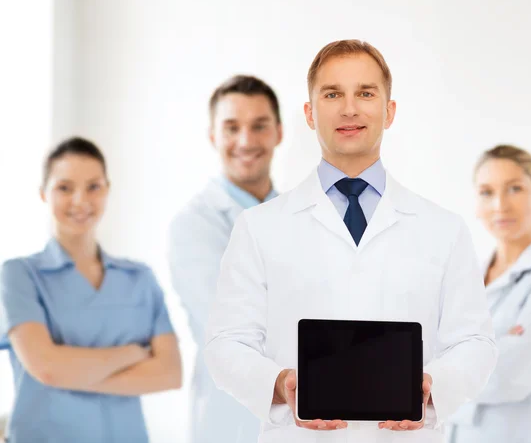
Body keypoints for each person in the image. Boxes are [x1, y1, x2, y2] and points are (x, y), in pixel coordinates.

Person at [204, 40, 497, 443]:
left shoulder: (443, 230)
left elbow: (476, 343)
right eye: (332, 94)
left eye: (365, 93)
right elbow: (225, 344)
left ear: (389, 111)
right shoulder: (258, 227)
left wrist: (433, 386)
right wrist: (279, 383)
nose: (349, 108)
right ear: (309, 113)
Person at [0, 137, 182, 443]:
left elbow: (169, 373)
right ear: (44, 193)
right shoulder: (19, 275)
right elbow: (46, 369)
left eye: (93, 186)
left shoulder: (140, 278)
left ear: (107, 190)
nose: (80, 200)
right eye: (65, 187)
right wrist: (132, 354)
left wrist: (69, 373)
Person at [168, 75, 282, 443]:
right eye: (232, 128)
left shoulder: (302, 216)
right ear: (213, 136)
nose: (246, 141)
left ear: (278, 132)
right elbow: (229, 326)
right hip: (231, 422)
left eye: (259, 126)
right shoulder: (194, 224)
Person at [446, 145, 531, 443]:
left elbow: (510, 373)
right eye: (486, 192)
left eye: (515, 189)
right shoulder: (464, 279)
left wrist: (443, 367)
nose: (500, 205)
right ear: (476, 205)